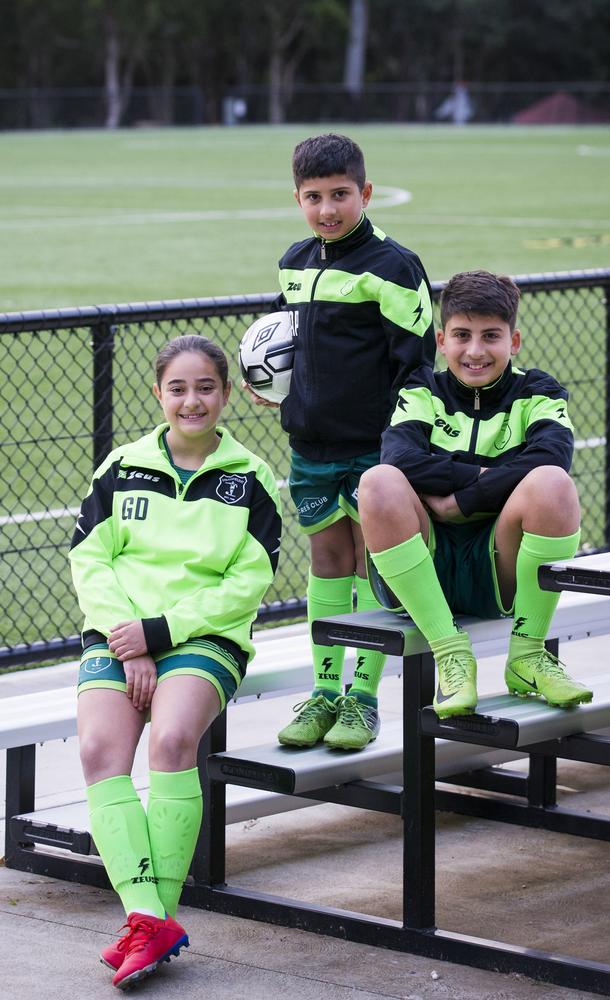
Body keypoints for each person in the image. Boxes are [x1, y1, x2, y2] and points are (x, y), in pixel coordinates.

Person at [69, 335, 281, 989]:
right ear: (158, 394)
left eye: (206, 387)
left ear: (225, 394)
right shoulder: (121, 467)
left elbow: (249, 580)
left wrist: (160, 634)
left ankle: (148, 923)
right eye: (178, 388)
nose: (192, 400)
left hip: (203, 636)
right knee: (99, 751)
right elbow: (89, 560)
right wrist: (123, 634)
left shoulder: (250, 477)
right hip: (120, 633)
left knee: (171, 737)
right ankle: (148, 917)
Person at [244, 132, 434, 751]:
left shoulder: (394, 267)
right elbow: (281, 339)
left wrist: (399, 446)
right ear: (297, 198)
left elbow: (417, 366)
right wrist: (266, 383)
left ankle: (363, 697)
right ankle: (326, 689)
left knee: (370, 563)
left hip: (373, 452)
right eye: (314, 196)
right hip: (311, 447)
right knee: (328, 561)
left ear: (366, 193)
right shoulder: (295, 262)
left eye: (340, 195)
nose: (328, 209)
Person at [358, 269, 592, 718]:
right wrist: (490, 474)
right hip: (422, 566)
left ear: (514, 341)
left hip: (496, 566)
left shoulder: (539, 391)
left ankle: (526, 654)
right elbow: (401, 459)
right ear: (442, 340)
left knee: (552, 485)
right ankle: (450, 653)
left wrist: (462, 500)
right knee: (378, 481)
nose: (475, 351)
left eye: (491, 336)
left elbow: (552, 459)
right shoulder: (421, 389)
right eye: (462, 335)